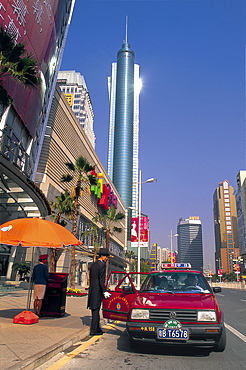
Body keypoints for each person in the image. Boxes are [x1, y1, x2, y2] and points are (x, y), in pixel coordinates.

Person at [87, 248, 111, 336]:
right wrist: (104, 291)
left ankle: (97, 328)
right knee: (96, 310)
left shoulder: (94, 265)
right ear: (102, 256)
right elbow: (101, 280)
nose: (107, 258)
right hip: (97, 290)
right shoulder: (102, 265)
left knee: (95, 310)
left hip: (93, 289)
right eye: (106, 256)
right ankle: (94, 330)